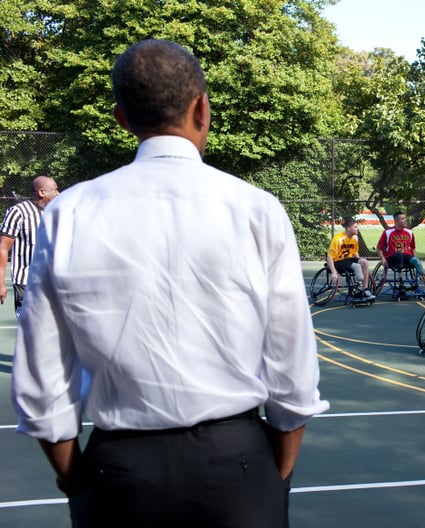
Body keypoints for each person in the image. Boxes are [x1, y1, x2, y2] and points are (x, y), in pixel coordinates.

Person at [11, 39, 329, 528]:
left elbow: (42, 376)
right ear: (201, 108)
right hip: (237, 467)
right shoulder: (256, 208)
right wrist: (275, 476)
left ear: (121, 119)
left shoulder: (68, 212)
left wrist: (77, 481)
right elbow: (291, 366)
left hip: (119, 469)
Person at [0, 175, 59, 317]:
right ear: (42, 192)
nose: (58, 193)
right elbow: (3, 247)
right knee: (30, 328)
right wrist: (0, 282)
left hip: (51, 281)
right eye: (55, 190)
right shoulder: (18, 212)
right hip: (27, 282)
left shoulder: (55, 212)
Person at [327, 217, 375, 300]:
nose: (357, 229)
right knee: (356, 266)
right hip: (338, 261)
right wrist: (334, 272)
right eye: (355, 227)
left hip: (348, 260)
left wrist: (363, 264)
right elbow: (329, 257)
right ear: (348, 229)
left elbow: (355, 253)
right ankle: (359, 280)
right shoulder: (338, 238)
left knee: (364, 262)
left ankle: (365, 290)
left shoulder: (355, 238)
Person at [375, 211, 425, 276]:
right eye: (403, 219)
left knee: (415, 260)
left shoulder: (409, 232)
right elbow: (379, 248)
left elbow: (413, 247)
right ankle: (400, 276)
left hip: (406, 257)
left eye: (405, 218)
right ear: (396, 221)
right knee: (399, 254)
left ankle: (423, 278)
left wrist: (414, 256)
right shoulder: (387, 232)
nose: (405, 220)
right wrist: (382, 258)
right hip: (392, 257)